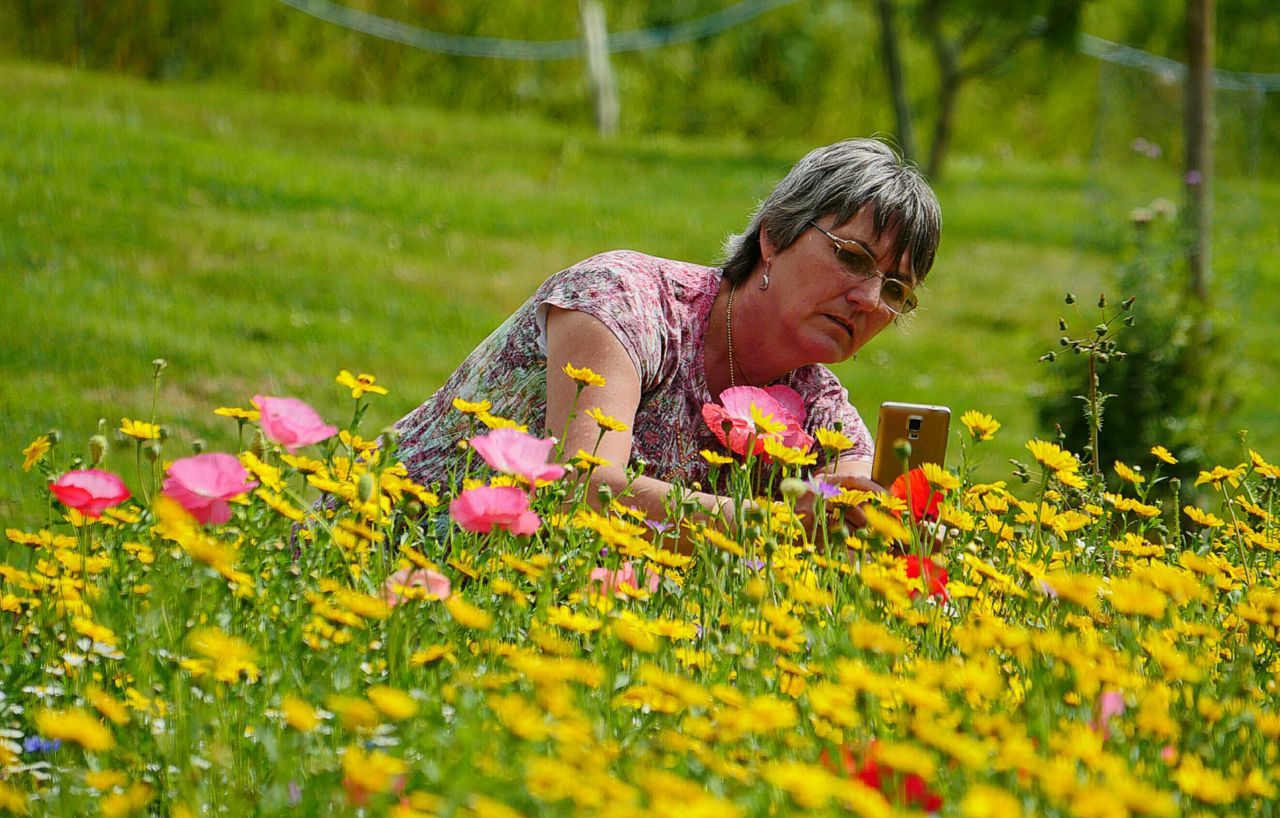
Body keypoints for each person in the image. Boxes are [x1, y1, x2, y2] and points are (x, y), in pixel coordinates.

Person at [394, 137, 941, 533]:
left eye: (896, 291)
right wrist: (774, 524)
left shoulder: (827, 417)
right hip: (380, 559)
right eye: (852, 257)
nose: (870, 300)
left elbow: (843, 527)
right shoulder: (625, 300)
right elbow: (578, 490)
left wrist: (871, 527)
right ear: (774, 237)